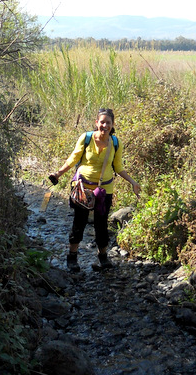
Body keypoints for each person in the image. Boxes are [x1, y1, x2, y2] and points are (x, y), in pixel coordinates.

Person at [49, 108, 141, 272]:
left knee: (101, 224)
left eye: (108, 123)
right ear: (96, 122)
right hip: (82, 188)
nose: (104, 125)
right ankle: (72, 257)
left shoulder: (115, 143)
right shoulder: (86, 138)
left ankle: (103, 258)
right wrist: (58, 173)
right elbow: (74, 158)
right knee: (79, 222)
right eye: (102, 122)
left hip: (104, 190)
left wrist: (133, 182)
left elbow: (118, 167)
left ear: (112, 125)